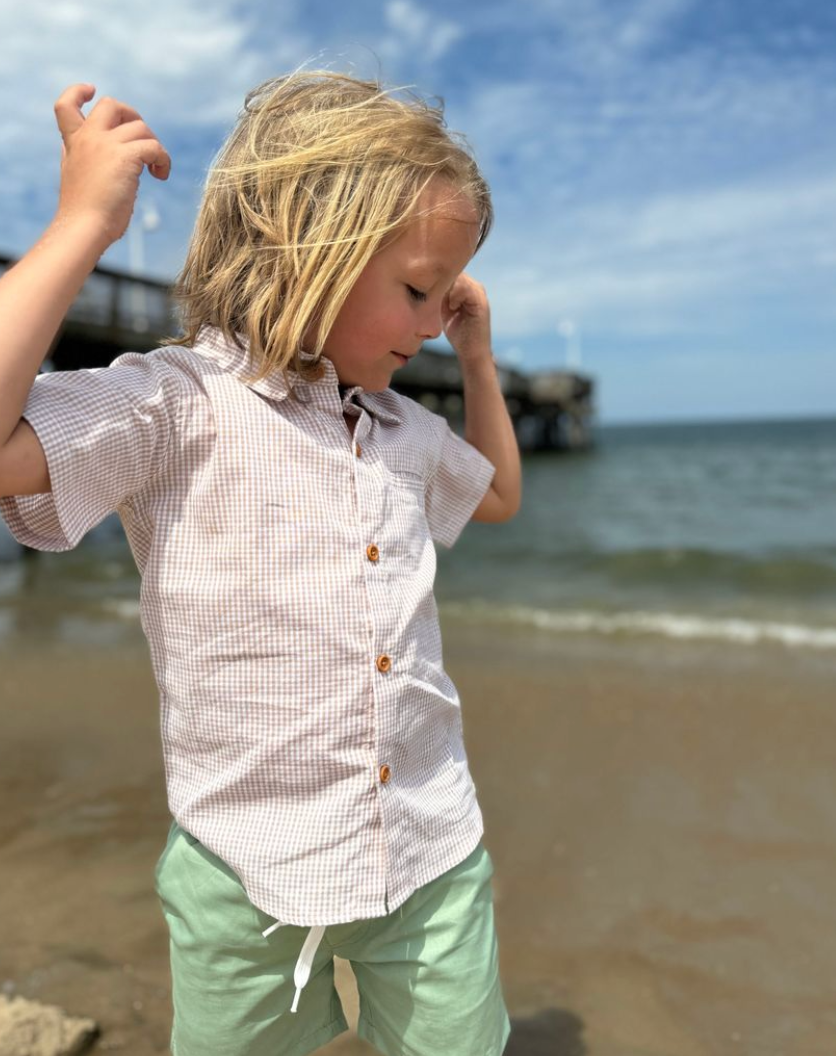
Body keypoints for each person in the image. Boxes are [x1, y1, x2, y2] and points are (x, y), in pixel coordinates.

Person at [0, 70, 521, 1056]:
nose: (428, 325)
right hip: (242, 866)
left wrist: (478, 361)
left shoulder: (402, 428)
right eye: (415, 291)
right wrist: (82, 226)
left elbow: (496, 495)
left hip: (429, 846)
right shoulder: (174, 405)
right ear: (306, 254)